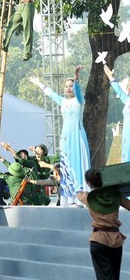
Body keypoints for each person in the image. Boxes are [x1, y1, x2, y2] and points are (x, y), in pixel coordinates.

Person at [31, 66, 91, 206]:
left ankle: (80, 196)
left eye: (71, 86)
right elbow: (51, 94)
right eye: (66, 86)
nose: (68, 88)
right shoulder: (63, 102)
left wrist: (76, 78)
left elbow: (78, 91)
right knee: (66, 167)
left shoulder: (80, 101)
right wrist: (40, 84)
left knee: (77, 165)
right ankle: (69, 197)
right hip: (66, 138)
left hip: (77, 136)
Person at [77, 168, 130, 280]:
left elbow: (79, 195)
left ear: (89, 183)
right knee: (114, 276)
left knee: (104, 277)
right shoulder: (116, 195)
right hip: (115, 239)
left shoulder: (87, 198)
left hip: (98, 239)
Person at [105, 65, 130, 163]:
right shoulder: (127, 100)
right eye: (128, 85)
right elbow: (119, 91)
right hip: (127, 136)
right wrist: (111, 77)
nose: (129, 87)